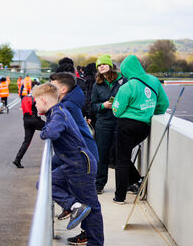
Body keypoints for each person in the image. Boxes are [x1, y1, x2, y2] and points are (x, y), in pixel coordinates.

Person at [34, 83, 104, 246]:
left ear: (43, 99)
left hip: (80, 165)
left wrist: (43, 131)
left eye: (36, 102)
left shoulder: (58, 114)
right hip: (71, 165)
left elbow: (50, 133)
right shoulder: (57, 112)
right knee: (44, 183)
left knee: (92, 206)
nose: (35, 106)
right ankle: (74, 206)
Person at [112, 54, 169, 204]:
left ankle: (120, 197)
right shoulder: (154, 81)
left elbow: (116, 110)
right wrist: (148, 113)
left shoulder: (127, 86)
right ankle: (137, 179)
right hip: (144, 127)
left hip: (126, 126)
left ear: (126, 71)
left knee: (121, 161)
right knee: (121, 157)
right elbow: (163, 104)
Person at [91, 55, 127, 195]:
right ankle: (99, 184)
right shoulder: (97, 84)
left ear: (110, 65)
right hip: (103, 123)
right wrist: (102, 105)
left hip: (120, 122)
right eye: (99, 65)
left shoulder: (123, 81)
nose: (101, 67)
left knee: (120, 155)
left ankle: (126, 185)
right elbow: (92, 106)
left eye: (104, 64)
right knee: (102, 154)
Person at [49, 72, 99, 168]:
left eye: (53, 87)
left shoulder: (67, 107)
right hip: (83, 153)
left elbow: (52, 130)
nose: (50, 90)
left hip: (84, 156)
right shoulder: (69, 103)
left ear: (63, 89)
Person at [13, 91, 45, 168]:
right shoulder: (35, 97)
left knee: (26, 141)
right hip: (34, 119)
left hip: (26, 120)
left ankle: (17, 159)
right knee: (50, 127)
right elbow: (41, 109)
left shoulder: (25, 97)